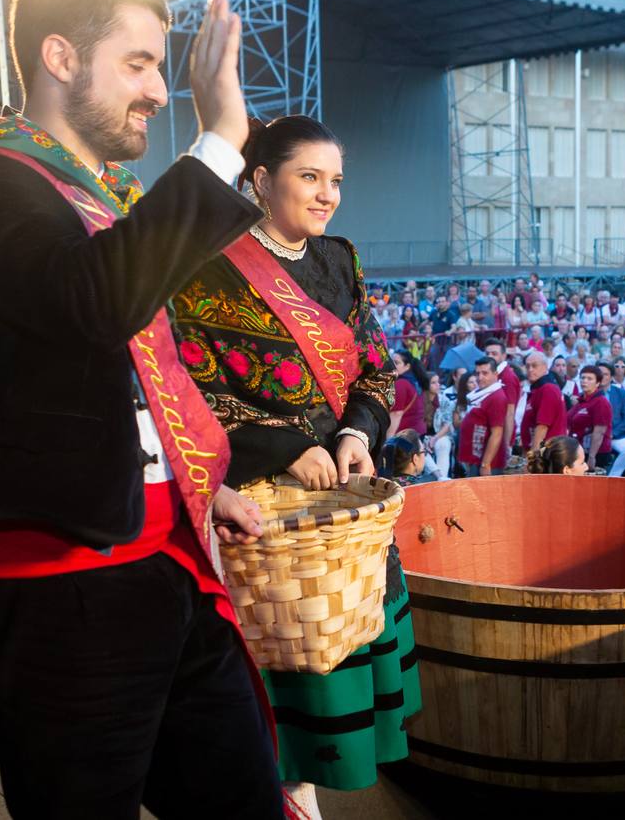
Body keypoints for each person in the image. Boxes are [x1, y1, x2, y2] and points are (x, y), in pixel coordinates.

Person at [0, 0, 285, 818]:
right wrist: (221, 137)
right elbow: (95, 300)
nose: (158, 90)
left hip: (169, 562)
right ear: (59, 57)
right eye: (139, 64)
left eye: (159, 67)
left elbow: (121, 374)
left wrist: (196, 481)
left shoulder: (98, 197)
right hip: (66, 588)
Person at [172, 109, 426, 811]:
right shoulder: (205, 266)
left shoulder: (339, 258)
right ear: (259, 179)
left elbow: (375, 370)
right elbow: (190, 390)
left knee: (337, 639)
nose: (326, 194)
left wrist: (354, 437)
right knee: (278, 657)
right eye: (307, 177)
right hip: (261, 502)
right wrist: (286, 449)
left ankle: (302, 789)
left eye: (335, 180)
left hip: (340, 505)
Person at [459, 356, 509, 476]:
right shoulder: (481, 394)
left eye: (485, 373)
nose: (480, 378)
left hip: (485, 463)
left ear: (495, 374)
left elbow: (497, 433)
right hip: (474, 459)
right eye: (477, 373)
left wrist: (485, 464)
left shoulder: (497, 397)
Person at [567, 365, 613, 471]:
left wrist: (592, 457)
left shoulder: (601, 402)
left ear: (598, 383)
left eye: (589, 379)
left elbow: (599, 432)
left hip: (595, 454)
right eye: (582, 378)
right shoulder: (581, 400)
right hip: (577, 450)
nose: (584, 381)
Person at [522, 350, 567, 451]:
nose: (530, 369)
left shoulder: (548, 389)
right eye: (527, 366)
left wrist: (533, 457)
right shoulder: (537, 389)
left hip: (547, 454)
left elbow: (542, 427)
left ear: (545, 366)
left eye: (534, 366)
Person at [598, 361, 625, 476]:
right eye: (599, 373)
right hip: (594, 434)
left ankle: (614, 476)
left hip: (615, 434)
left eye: (605, 374)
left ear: (611, 377)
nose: (602, 377)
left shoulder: (621, 393)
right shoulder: (589, 393)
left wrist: (612, 434)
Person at [483, 338, 521, 452]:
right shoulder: (491, 375)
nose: (490, 356)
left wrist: (506, 445)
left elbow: (509, 413)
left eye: (494, 354)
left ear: (504, 356)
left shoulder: (507, 377)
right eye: (487, 353)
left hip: (500, 435)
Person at [389, 349, 429, 436]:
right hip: (416, 433)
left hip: (404, 436)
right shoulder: (414, 381)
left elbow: (396, 413)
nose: (392, 365)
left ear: (407, 366)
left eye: (396, 362)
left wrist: (388, 439)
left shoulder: (401, 384)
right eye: (391, 361)